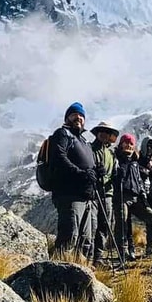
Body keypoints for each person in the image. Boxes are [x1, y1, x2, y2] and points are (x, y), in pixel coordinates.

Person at [48, 102, 98, 257]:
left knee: (86, 240)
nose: (78, 117)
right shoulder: (62, 134)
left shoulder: (84, 141)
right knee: (70, 235)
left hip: (86, 196)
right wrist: (80, 173)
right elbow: (59, 157)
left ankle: (80, 275)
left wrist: (97, 171)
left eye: (82, 115)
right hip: (69, 194)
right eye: (74, 114)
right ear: (67, 117)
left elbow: (90, 166)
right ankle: (58, 272)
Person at [113, 133, 152, 259]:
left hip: (136, 197)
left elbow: (138, 180)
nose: (129, 145)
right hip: (121, 196)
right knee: (122, 221)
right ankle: (123, 251)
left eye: (131, 143)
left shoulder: (135, 162)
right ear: (121, 144)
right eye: (126, 142)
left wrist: (143, 194)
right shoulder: (116, 159)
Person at [89, 121, 119, 264]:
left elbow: (113, 174)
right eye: (101, 131)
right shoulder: (89, 149)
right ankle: (88, 256)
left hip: (107, 193)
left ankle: (98, 257)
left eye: (107, 132)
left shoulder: (111, 153)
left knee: (104, 225)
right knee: (92, 224)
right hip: (93, 193)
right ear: (97, 133)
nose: (104, 134)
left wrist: (117, 176)